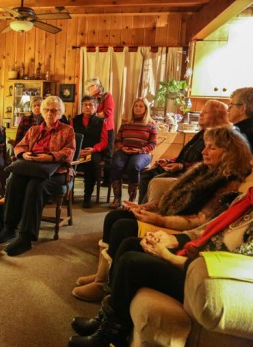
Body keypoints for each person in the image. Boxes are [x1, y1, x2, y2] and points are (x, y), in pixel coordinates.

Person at [72, 125, 252, 302]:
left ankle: (106, 284)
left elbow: (200, 221)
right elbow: (173, 198)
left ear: (230, 152)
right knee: (115, 216)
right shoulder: (204, 169)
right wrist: (147, 207)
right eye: (205, 146)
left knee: (123, 227)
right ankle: (102, 276)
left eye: (212, 148)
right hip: (168, 216)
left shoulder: (230, 182)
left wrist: (159, 219)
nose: (204, 152)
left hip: (178, 227)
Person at [68, 183, 253, 347]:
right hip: (195, 257)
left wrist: (169, 257)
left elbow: (229, 270)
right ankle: (105, 319)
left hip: (206, 279)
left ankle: (109, 336)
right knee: (130, 244)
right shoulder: (246, 200)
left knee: (132, 262)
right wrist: (169, 239)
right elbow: (201, 232)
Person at [0, 96, 76, 256]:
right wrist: (25, 154)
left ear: (61, 112)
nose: (50, 113)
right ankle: (9, 227)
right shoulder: (33, 130)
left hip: (56, 172)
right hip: (32, 166)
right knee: (14, 180)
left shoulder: (67, 130)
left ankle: (26, 237)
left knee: (35, 186)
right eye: (46, 110)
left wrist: (50, 157)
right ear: (41, 112)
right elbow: (19, 146)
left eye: (54, 110)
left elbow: (69, 152)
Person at [138, 99, 229, 203]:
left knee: (155, 181)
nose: (201, 114)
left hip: (190, 175)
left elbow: (207, 165)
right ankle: (140, 209)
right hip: (181, 169)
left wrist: (181, 166)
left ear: (217, 116)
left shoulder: (217, 137)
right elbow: (185, 155)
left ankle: (145, 209)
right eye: (202, 111)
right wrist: (169, 161)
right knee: (146, 175)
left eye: (206, 112)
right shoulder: (201, 133)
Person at [109, 97, 158, 208]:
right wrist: (121, 147)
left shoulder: (151, 124)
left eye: (141, 106)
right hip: (124, 150)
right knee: (116, 164)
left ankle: (131, 200)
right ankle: (117, 198)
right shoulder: (126, 123)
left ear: (146, 109)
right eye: (136, 106)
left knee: (134, 166)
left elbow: (153, 144)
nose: (138, 108)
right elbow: (117, 139)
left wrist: (141, 150)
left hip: (142, 154)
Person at [71, 95, 108, 208]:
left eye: (91, 105)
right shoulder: (74, 120)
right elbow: (70, 138)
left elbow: (104, 141)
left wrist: (93, 149)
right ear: (82, 107)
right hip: (78, 151)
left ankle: (87, 196)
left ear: (96, 107)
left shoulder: (101, 122)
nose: (87, 107)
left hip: (94, 151)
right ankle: (67, 194)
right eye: (85, 105)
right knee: (66, 161)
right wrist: (78, 150)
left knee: (92, 164)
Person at [86, 78, 114, 184]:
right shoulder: (91, 98)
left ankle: (107, 180)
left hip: (107, 128)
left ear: (97, 86)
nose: (89, 89)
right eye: (88, 87)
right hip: (96, 128)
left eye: (90, 86)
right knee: (97, 152)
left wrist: (93, 115)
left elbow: (107, 112)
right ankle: (95, 178)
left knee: (108, 154)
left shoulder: (107, 96)